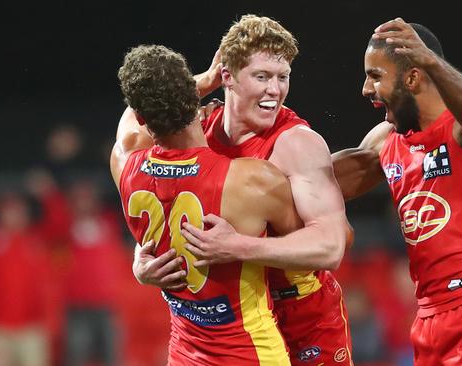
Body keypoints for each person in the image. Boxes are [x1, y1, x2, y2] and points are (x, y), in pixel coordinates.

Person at [133, 15, 355, 366]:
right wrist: (141, 261)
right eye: (262, 77)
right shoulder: (199, 130)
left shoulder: (297, 144)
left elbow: (331, 247)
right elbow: (142, 112)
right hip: (229, 322)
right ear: (227, 77)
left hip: (300, 315)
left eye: (283, 78)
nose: (275, 90)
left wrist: (237, 246)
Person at [331, 18, 462, 365]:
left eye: (376, 76)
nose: (366, 89)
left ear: (413, 77)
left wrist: (431, 61)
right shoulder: (386, 142)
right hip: (429, 322)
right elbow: (314, 184)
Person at [111, 44, 303, 365]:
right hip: (251, 353)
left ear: (145, 118)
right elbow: (312, 249)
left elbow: (130, 117)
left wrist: (201, 81)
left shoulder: (124, 161)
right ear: (192, 98)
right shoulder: (251, 179)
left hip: (186, 353)